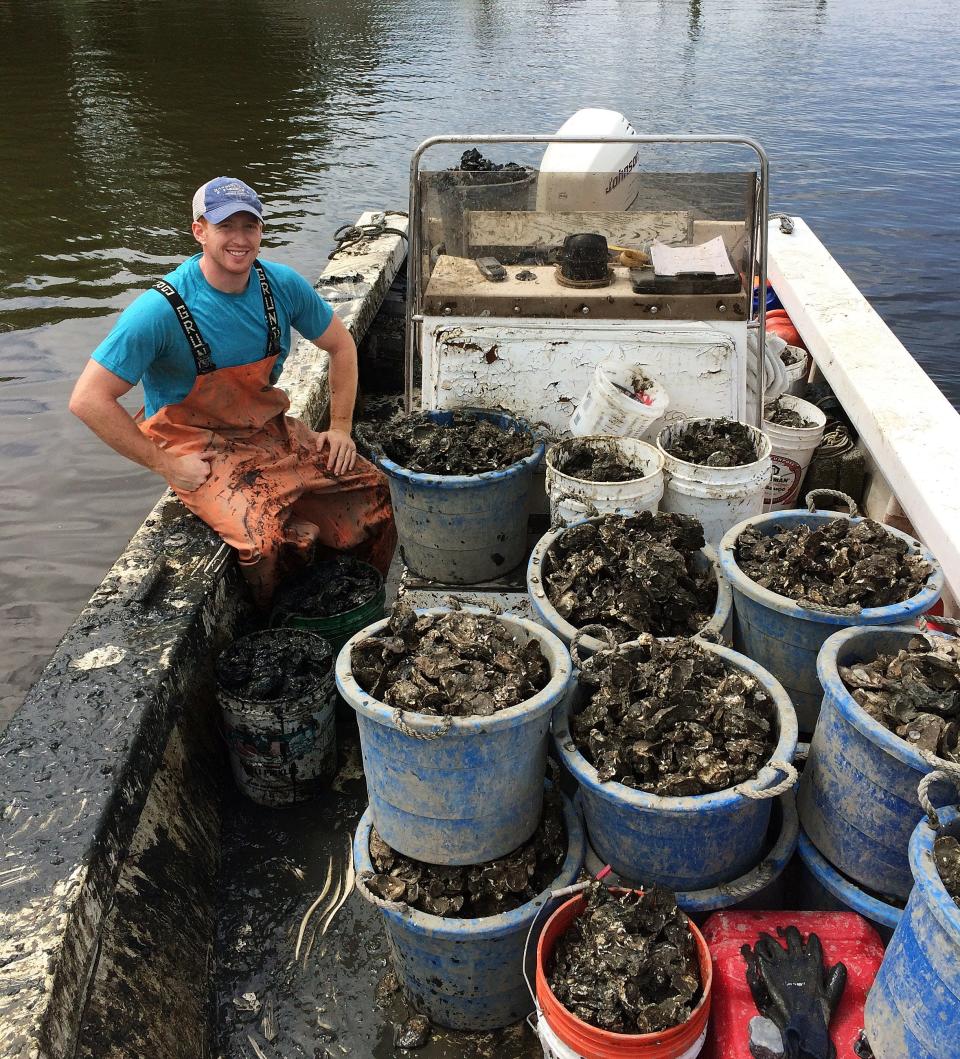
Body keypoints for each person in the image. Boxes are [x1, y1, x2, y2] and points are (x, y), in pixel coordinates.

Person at [69, 176, 396, 605]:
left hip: (265, 428)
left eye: (250, 226)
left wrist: (339, 427)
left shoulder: (279, 286)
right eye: (226, 226)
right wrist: (165, 464)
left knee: (373, 492)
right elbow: (88, 399)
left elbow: (341, 346)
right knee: (264, 544)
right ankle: (274, 617)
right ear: (199, 231)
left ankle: (360, 607)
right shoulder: (160, 310)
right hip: (197, 444)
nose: (240, 240)